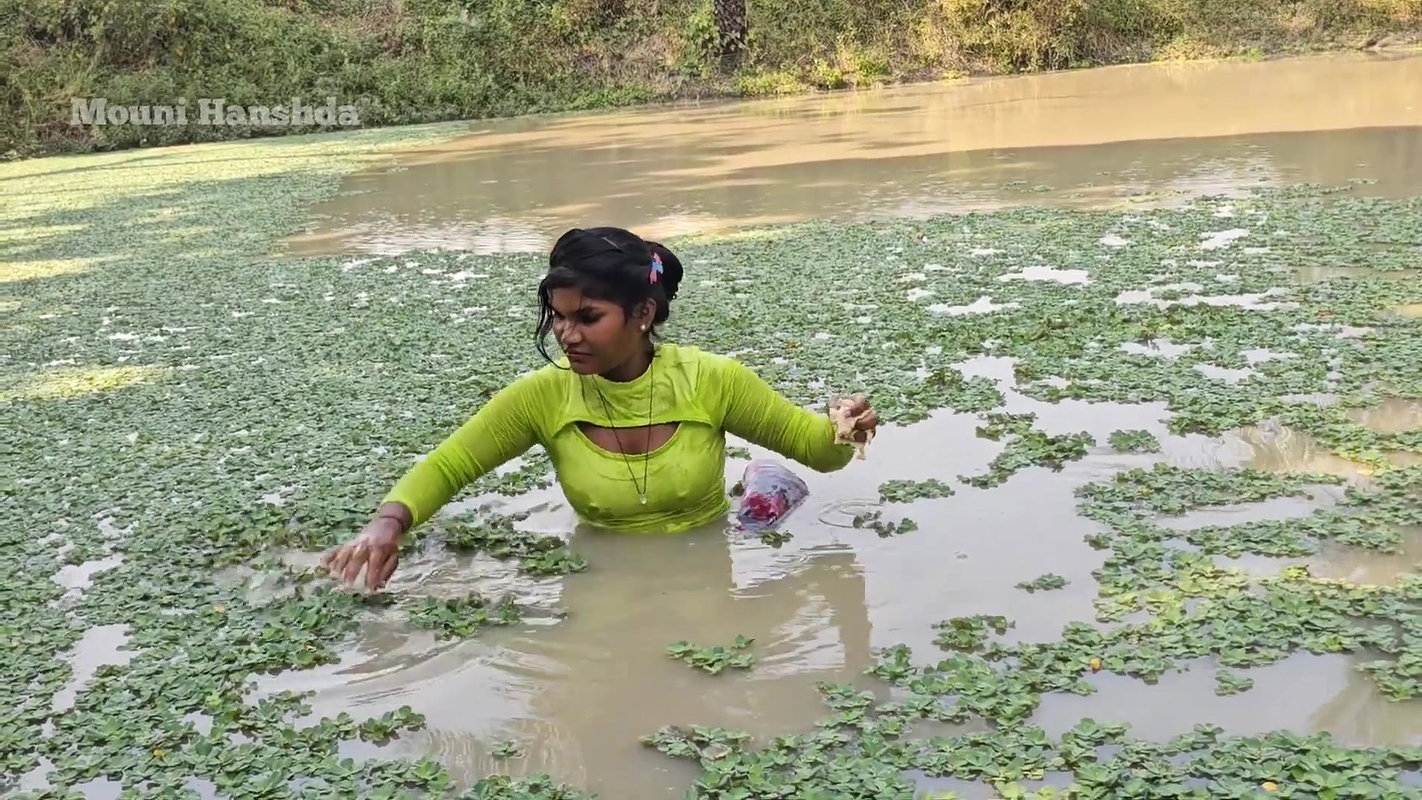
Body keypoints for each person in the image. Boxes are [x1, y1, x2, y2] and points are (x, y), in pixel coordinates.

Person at [321, 226, 879, 590]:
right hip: (601, 572)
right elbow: (448, 465)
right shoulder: (544, 395)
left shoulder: (713, 381)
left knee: (759, 513)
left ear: (642, 314)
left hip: (703, 562)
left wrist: (845, 428)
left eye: (587, 318)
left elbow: (818, 452)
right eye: (559, 317)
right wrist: (385, 525)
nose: (567, 334)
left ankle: (763, 483)